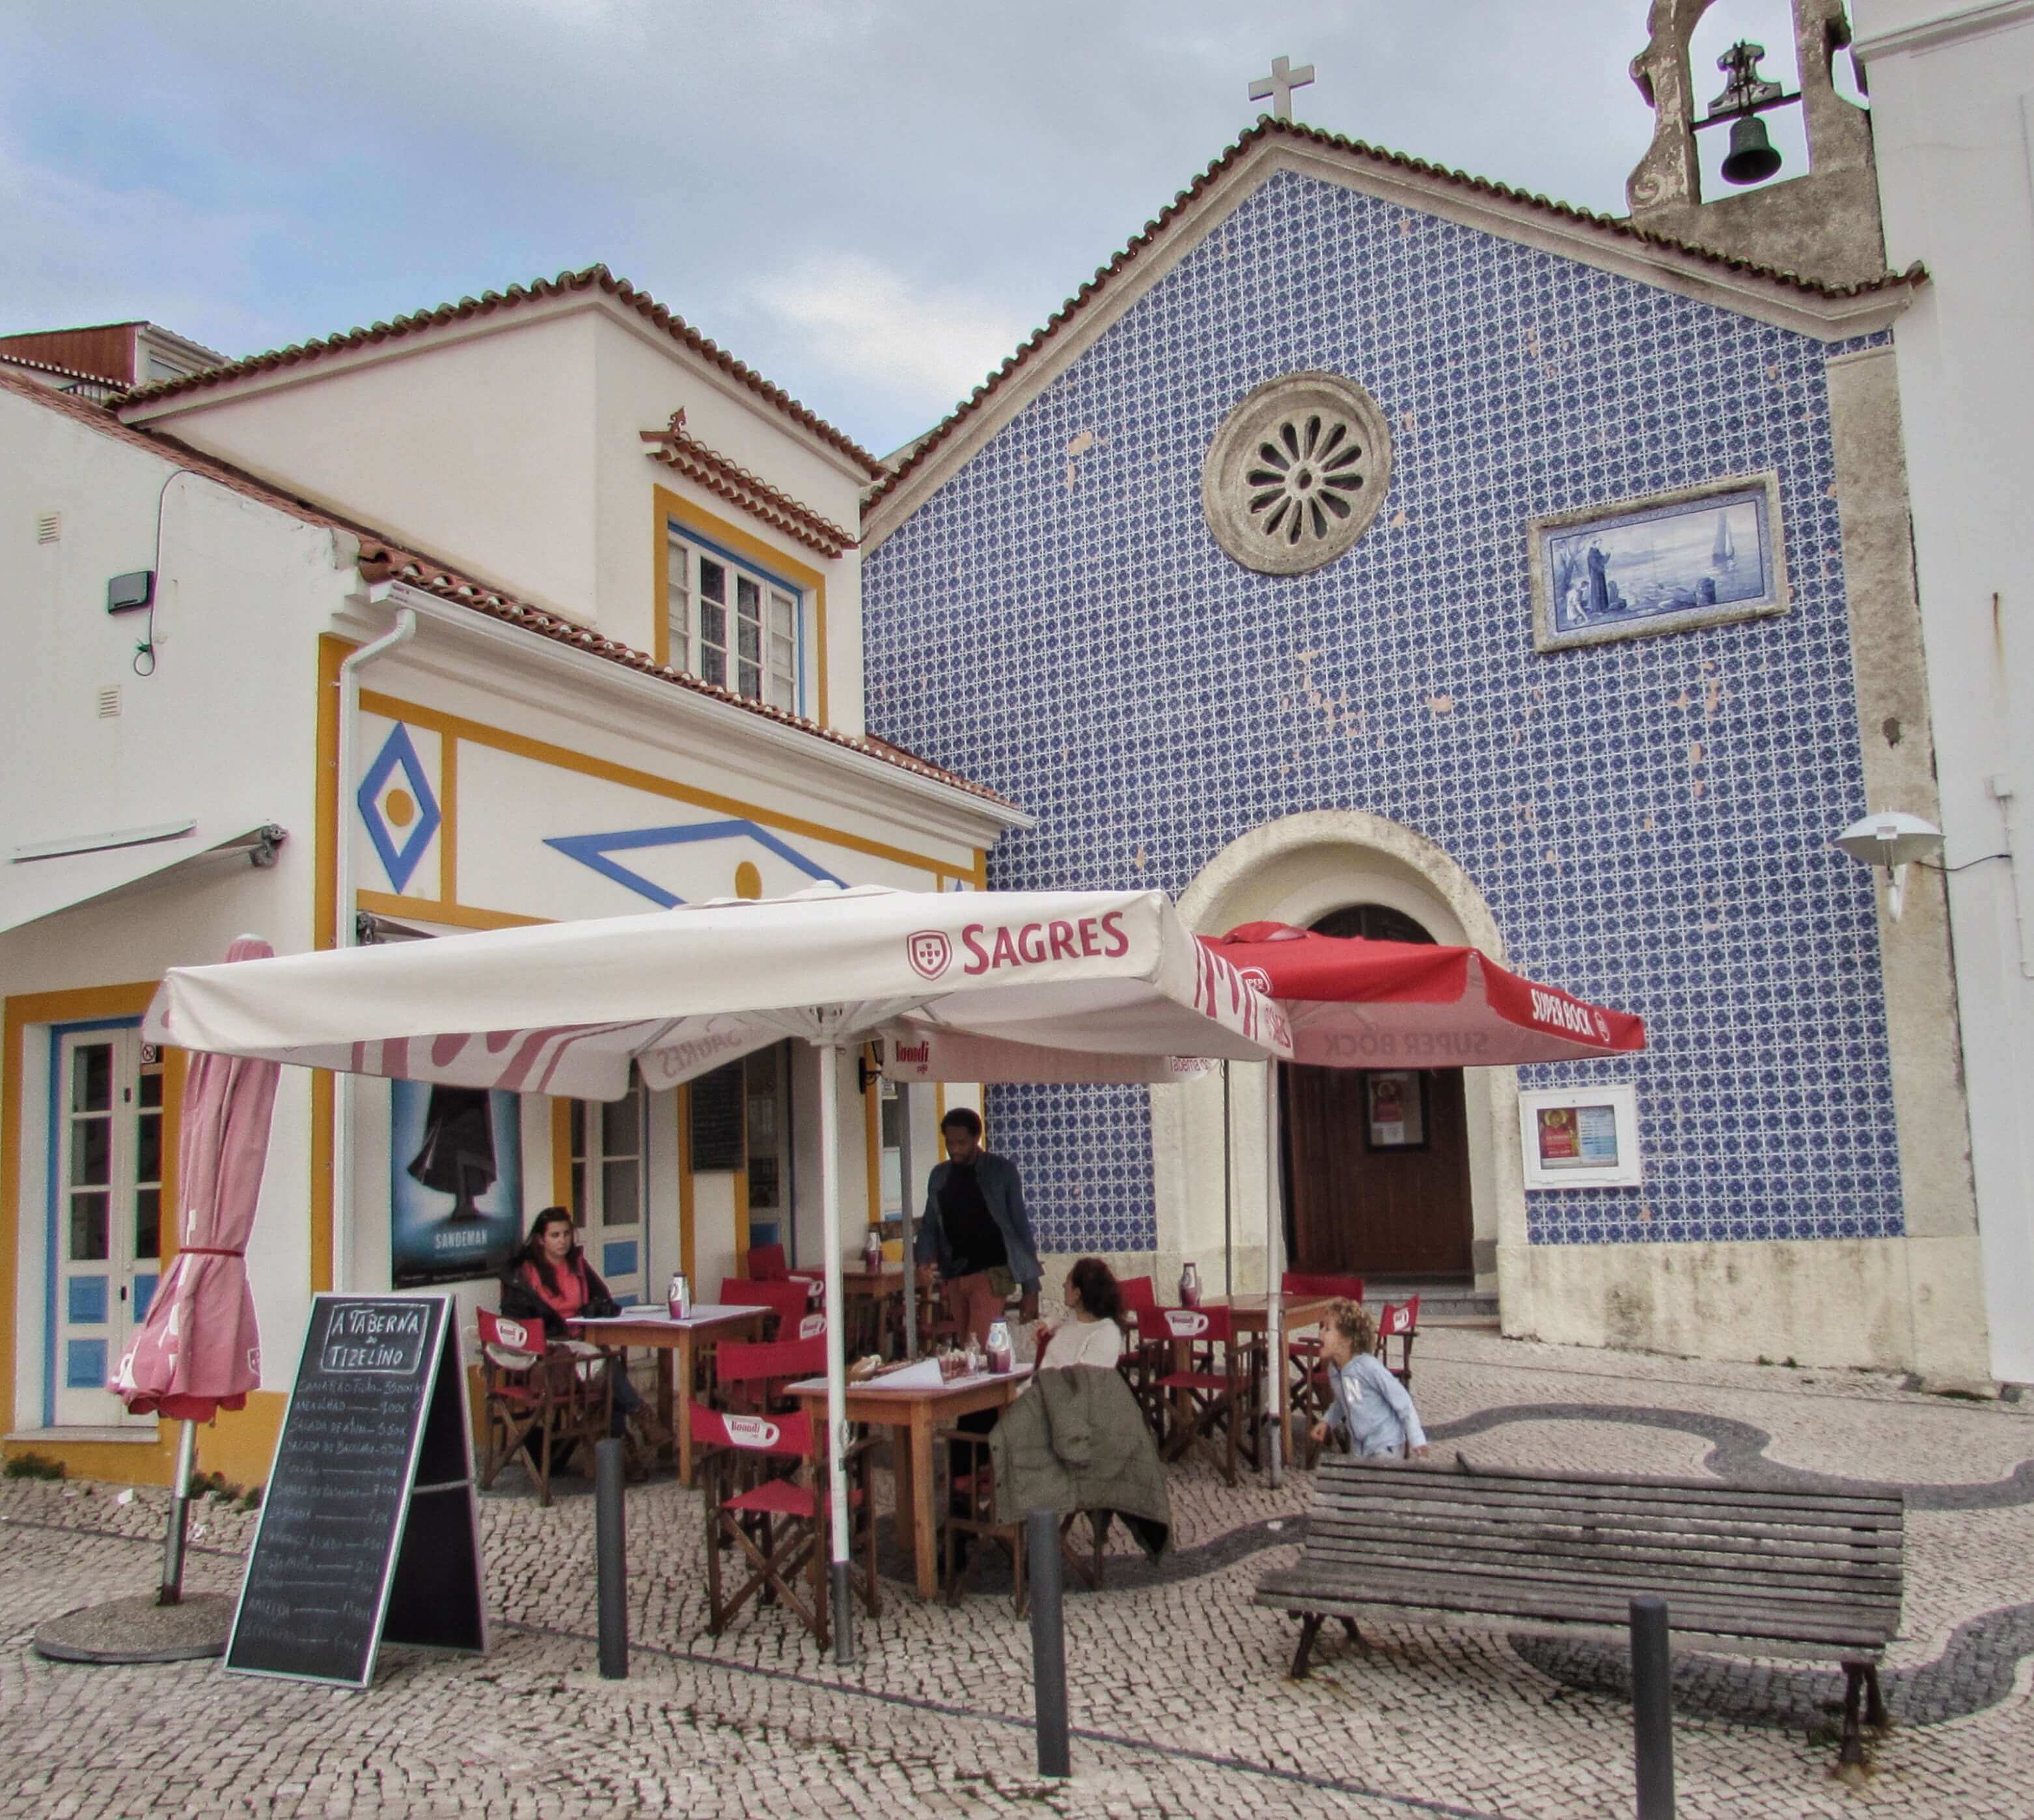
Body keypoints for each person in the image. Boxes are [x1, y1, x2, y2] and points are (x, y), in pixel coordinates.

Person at [499, 1206, 668, 1445]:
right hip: (548, 1350)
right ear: (540, 1239)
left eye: (567, 1234)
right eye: (555, 1236)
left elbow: (603, 1297)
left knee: (608, 1373)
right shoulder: (524, 1272)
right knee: (609, 1372)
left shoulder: (576, 1264)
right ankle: (637, 1427)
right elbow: (516, 1319)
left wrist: (595, 1309)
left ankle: (623, 1451)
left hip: (581, 1342)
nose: (563, 1241)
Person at [914, 1107, 1041, 1347]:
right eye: (950, 1143)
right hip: (954, 1274)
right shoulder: (939, 1176)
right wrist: (923, 1260)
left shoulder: (1001, 1172)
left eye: (961, 1143)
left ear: (976, 1138)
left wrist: (1031, 1289)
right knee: (966, 1347)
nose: (955, 1150)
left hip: (991, 1272)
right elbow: (930, 1224)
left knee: (979, 1345)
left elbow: (1020, 1227)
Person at [1309, 1299, 1428, 1460]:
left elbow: (1403, 1401)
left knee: (1379, 1482)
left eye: (1327, 1329)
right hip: (1361, 1446)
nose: (1321, 1333)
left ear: (1346, 1340)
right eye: (1322, 1327)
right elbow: (1343, 1399)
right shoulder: (1335, 1370)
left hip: (1386, 1443)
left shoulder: (1368, 1367)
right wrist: (1328, 1421)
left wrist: (1417, 1439)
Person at [1034, 1256, 1124, 1370]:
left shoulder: (1106, 1332)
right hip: (1041, 1384)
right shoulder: (1070, 1319)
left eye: (1067, 1281)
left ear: (1077, 1294)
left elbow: (1086, 1379)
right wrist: (1047, 1323)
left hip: (1061, 1387)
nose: (1063, 1285)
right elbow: (1060, 1317)